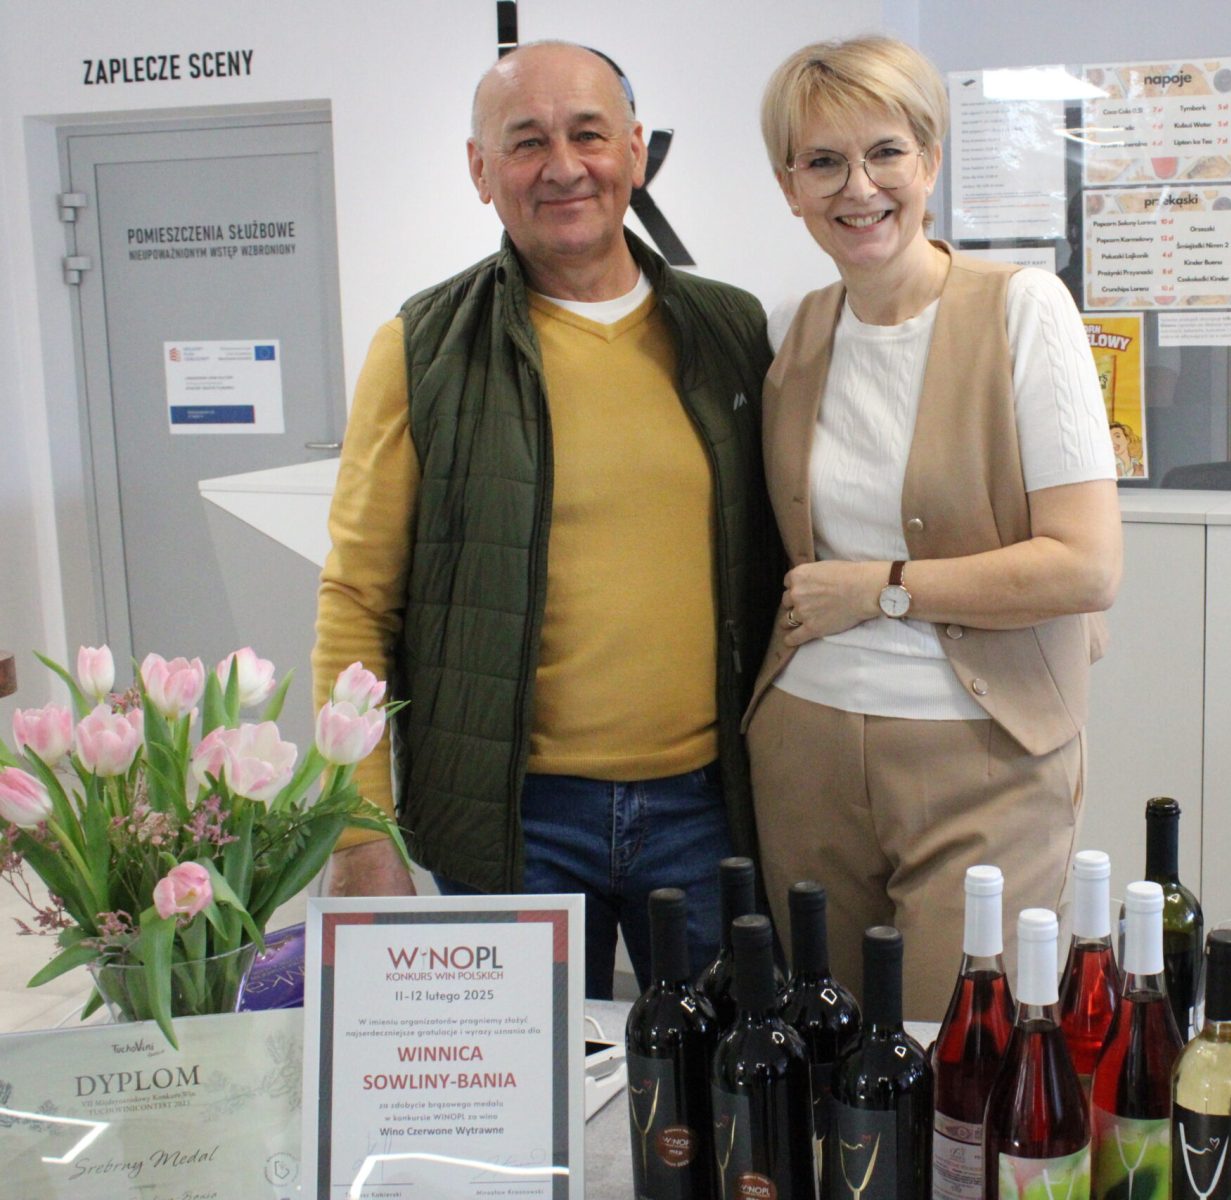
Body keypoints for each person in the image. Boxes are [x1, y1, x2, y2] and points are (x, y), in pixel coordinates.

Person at [312, 40, 778, 999]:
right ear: (480, 170)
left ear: (635, 152)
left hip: (710, 812)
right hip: (513, 822)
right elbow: (357, 602)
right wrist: (358, 829)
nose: (563, 166)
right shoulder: (422, 348)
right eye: (526, 142)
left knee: (720, 1076)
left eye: (589, 135)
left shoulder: (731, 331)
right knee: (528, 1086)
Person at [748, 35, 1123, 1017]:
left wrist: (880, 588)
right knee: (829, 1056)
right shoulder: (792, 329)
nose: (858, 187)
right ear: (790, 186)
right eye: (823, 162)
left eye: (886, 152)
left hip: (984, 754)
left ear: (931, 161)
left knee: (956, 1058)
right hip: (805, 750)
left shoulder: (1022, 310)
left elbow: (1087, 566)